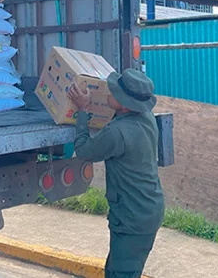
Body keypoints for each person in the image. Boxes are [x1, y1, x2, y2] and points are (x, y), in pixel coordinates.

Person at [67, 69, 165, 278]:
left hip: (132, 218)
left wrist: (83, 109)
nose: (108, 94)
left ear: (125, 104)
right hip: (145, 211)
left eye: (114, 93)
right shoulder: (145, 118)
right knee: (115, 269)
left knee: (121, 273)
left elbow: (84, 151)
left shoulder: (117, 133)